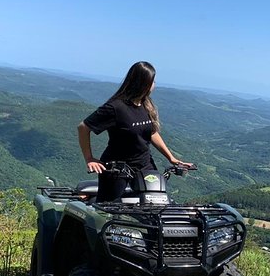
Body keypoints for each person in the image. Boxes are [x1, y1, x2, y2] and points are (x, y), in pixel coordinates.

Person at [78, 61, 192, 202]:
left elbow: (152, 133)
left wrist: (171, 158)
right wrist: (89, 158)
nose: (154, 84)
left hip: (145, 164)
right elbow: (83, 127)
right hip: (117, 169)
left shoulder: (146, 104)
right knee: (107, 210)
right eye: (152, 81)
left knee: (155, 205)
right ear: (142, 83)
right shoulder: (115, 107)